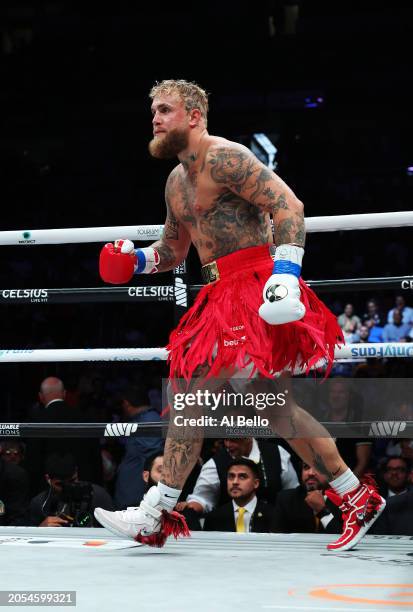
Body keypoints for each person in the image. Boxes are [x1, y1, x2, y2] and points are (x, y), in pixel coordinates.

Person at [95, 79, 385, 551]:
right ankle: (356, 497)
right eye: (153, 111)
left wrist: (287, 272)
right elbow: (174, 248)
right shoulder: (175, 181)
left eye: (165, 109)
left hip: (250, 287)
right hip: (216, 291)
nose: (155, 118)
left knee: (190, 396)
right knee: (277, 411)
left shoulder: (225, 157)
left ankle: (156, 511)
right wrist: (136, 260)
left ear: (193, 115)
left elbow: (288, 205)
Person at [179, 436, 298, 515]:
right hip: (229, 531)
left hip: (273, 531)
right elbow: (203, 498)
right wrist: (191, 506)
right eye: (225, 439)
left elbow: (292, 494)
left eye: (234, 439)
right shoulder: (214, 464)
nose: (228, 444)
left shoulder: (277, 454)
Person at [29, 453, 114, 527]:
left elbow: (115, 531)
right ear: (48, 479)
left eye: (72, 481)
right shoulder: (40, 503)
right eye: (60, 484)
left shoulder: (98, 496)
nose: (67, 488)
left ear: (76, 472)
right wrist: (40, 529)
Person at [114, 386, 164, 509]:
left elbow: (153, 459)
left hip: (136, 493)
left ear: (126, 404)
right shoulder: (140, 420)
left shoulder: (149, 420)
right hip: (131, 491)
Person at [203, 459, 276, 533]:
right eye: (231, 477)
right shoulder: (214, 518)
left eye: (242, 477)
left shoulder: (274, 516)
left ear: (256, 483)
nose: (235, 482)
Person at [272, 461, 342, 534]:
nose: (310, 473)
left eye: (318, 468)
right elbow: (276, 540)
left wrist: (322, 512)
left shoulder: (346, 499)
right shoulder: (286, 499)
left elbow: (347, 539)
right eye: (306, 467)